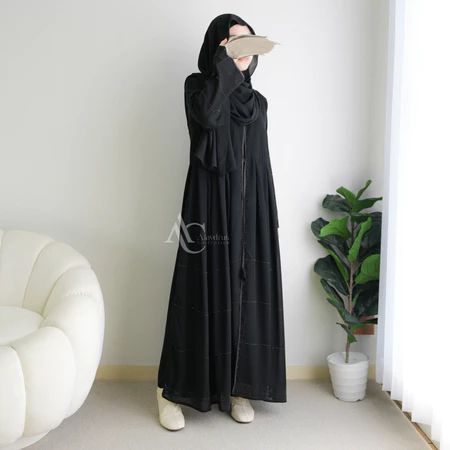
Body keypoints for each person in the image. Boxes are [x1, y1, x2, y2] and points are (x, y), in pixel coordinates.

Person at [156, 13, 286, 430]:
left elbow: (260, 162)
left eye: (249, 41)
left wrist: (267, 216)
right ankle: (170, 391)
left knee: (244, 298)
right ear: (217, 48)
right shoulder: (198, 88)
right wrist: (225, 67)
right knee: (197, 291)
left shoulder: (259, 103)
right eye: (233, 42)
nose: (244, 49)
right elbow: (210, 118)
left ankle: (237, 387)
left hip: (249, 212)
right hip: (208, 209)